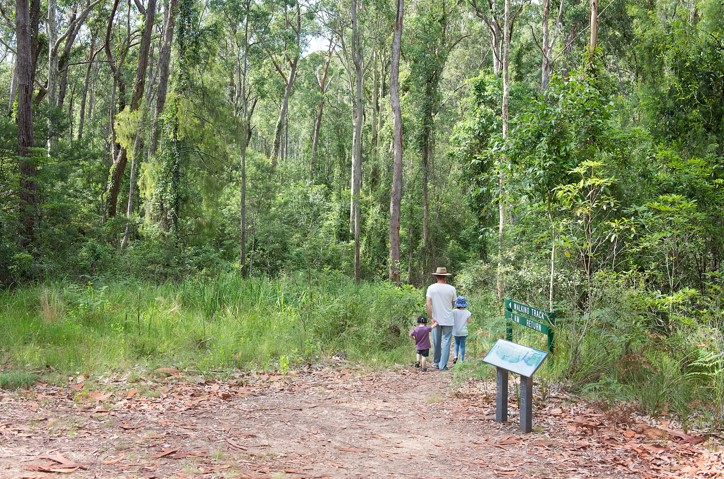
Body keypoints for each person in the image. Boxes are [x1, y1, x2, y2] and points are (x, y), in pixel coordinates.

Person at [426, 267, 456, 371]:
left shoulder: (431, 288)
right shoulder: (452, 289)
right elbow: (453, 303)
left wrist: (431, 317)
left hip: (436, 319)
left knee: (436, 341)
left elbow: (428, 304)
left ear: (436, 276)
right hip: (448, 318)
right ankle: (443, 366)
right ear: (446, 277)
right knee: (446, 341)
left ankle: (436, 362)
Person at [452, 296, 472, 364]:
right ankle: (462, 360)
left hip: (455, 331)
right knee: (462, 345)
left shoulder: (453, 312)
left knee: (456, 344)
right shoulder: (468, 312)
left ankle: (455, 356)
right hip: (463, 331)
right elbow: (469, 321)